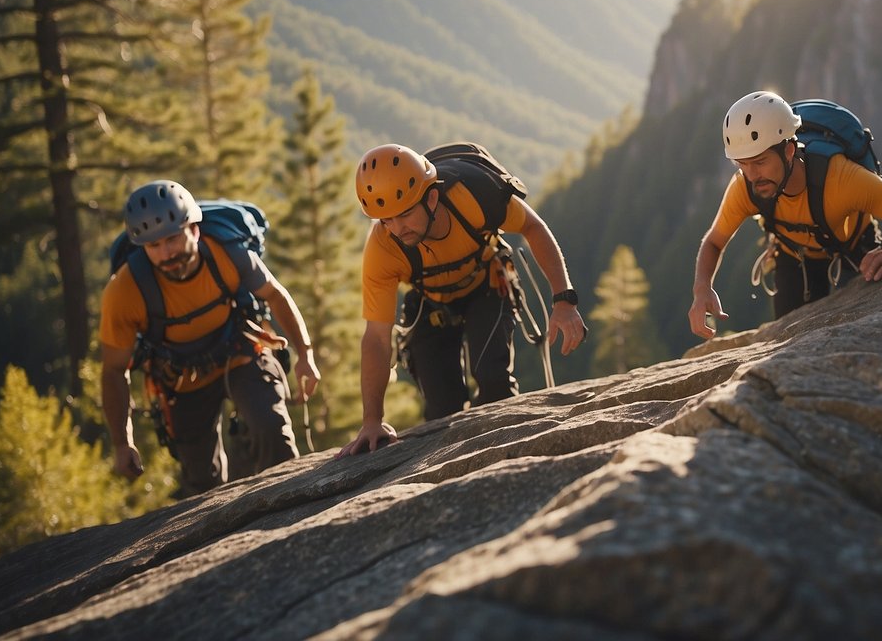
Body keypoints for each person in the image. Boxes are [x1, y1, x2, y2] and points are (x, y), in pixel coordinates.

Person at [337, 143, 587, 456]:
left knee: (493, 378)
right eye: (385, 220)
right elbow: (376, 337)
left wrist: (564, 300)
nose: (397, 228)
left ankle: (510, 459)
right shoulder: (383, 248)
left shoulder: (475, 195)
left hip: (486, 285)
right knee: (443, 411)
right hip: (431, 305)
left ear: (431, 196)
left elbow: (531, 226)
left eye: (404, 215)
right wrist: (372, 420)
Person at [100, 180, 320, 495]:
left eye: (173, 239)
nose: (166, 253)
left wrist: (306, 355)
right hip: (181, 379)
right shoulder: (124, 290)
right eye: (153, 246)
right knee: (202, 483)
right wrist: (122, 442)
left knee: (272, 431)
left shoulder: (229, 253)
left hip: (240, 350)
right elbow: (113, 369)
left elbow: (275, 295)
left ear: (194, 230)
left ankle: (294, 508)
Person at [690, 91, 882, 339]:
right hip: (794, 257)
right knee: (788, 343)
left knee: (872, 334)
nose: (752, 175)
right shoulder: (745, 187)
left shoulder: (841, 179)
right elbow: (714, 241)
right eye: (742, 164)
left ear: (789, 150)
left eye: (759, 162)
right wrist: (702, 289)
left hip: (854, 249)